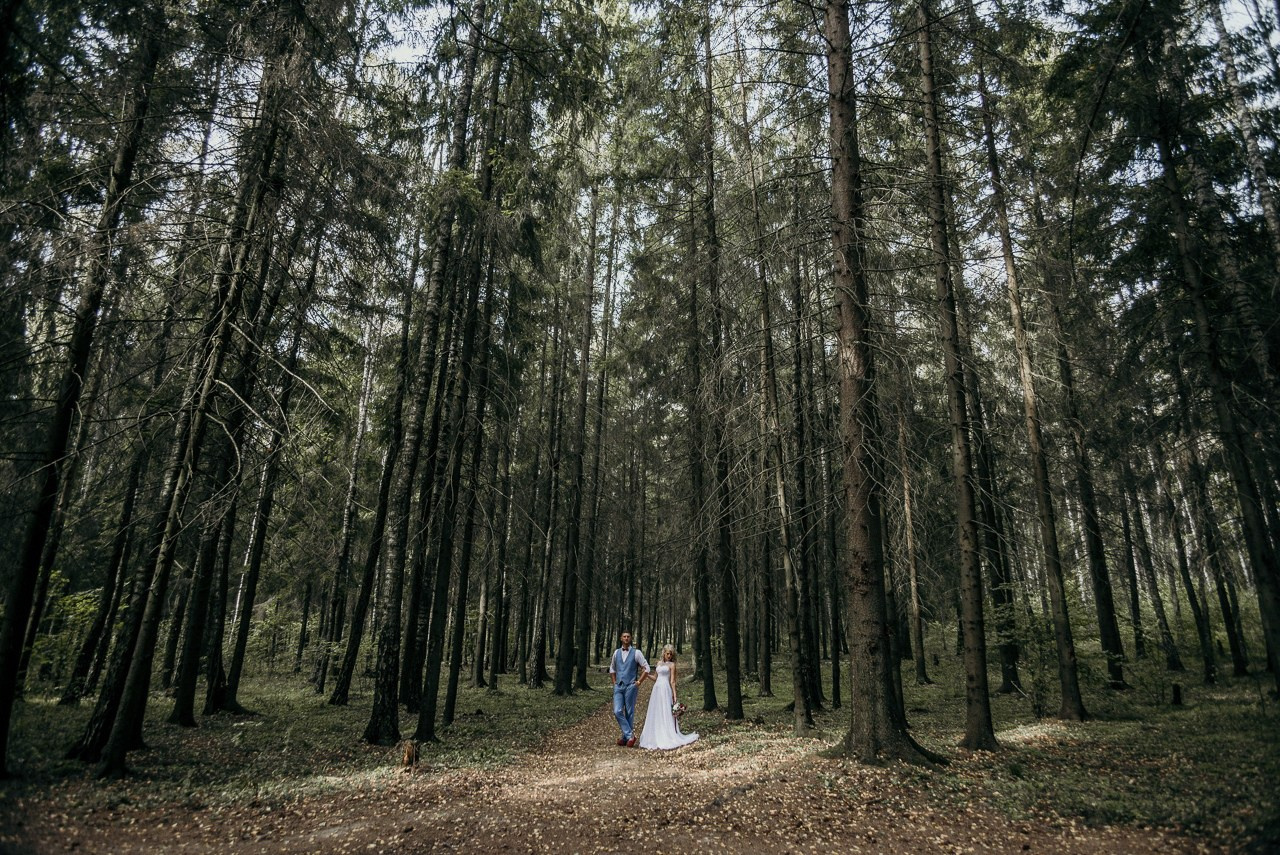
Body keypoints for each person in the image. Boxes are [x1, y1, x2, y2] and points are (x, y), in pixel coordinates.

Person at [638, 645, 698, 750]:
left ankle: (666, 734)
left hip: (665, 689)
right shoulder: (659, 663)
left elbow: (673, 681)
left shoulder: (672, 665)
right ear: (664, 653)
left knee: (665, 711)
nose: (669, 656)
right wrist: (646, 675)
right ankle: (655, 734)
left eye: (671, 654)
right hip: (656, 689)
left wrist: (674, 695)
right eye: (667, 653)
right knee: (656, 711)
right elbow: (655, 678)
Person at [609, 631, 650, 747]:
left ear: (630, 639)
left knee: (629, 712)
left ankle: (625, 737)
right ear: (621, 639)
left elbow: (646, 668)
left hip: (631, 686)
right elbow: (612, 669)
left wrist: (638, 682)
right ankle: (629, 735)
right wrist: (614, 683)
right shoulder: (616, 653)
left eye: (628, 637)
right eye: (624, 637)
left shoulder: (636, 653)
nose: (626, 638)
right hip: (619, 686)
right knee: (617, 711)